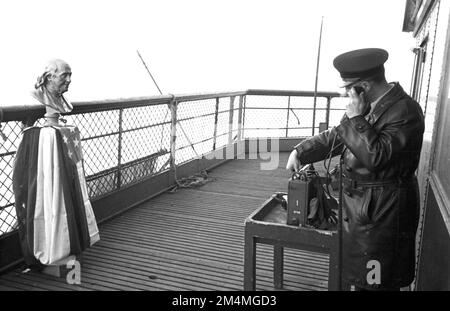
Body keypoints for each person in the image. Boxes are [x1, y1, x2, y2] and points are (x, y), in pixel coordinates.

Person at [286, 48, 425, 291]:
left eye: (348, 89)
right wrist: (301, 150)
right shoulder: (368, 107)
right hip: (364, 210)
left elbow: (377, 156)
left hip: (382, 216)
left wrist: (356, 119)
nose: (346, 96)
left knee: (376, 281)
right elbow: (338, 137)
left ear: (363, 87)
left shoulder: (406, 112)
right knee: (361, 279)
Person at [13, 59, 100, 273]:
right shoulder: (37, 97)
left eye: (70, 75)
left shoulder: (62, 101)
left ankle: (65, 242)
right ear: (50, 76)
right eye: (65, 75)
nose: (69, 80)